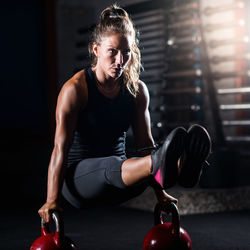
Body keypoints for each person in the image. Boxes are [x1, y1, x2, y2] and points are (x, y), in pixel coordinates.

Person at [38, 4, 211, 223]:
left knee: (137, 159)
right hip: (79, 184)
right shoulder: (75, 90)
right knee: (115, 163)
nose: (120, 60)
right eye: (112, 52)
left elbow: (145, 145)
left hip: (122, 180)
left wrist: (160, 194)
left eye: (126, 53)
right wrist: (51, 200)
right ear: (95, 49)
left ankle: (180, 169)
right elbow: (59, 149)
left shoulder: (137, 90)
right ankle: (169, 165)